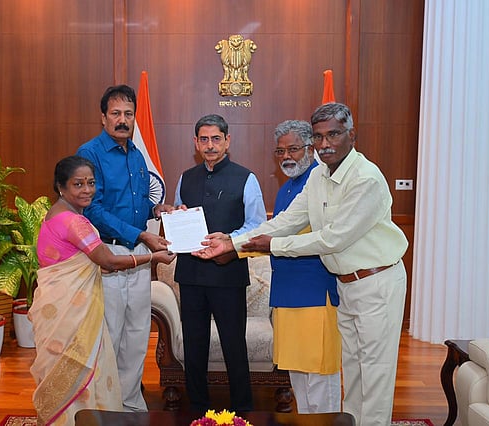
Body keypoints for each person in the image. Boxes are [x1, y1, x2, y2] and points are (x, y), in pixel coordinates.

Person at [193, 103, 408, 426]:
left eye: (333, 134)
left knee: (375, 374)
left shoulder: (366, 179)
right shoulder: (320, 174)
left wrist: (271, 245)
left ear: (352, 135)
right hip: (346, 284)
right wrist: (233, 243)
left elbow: (332, 239)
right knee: (354, 372)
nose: (325, 144)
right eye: (319, 136)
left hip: (376, 282)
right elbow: (288, 220)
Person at [29, 155, 176, 425]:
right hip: (69, 310)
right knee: (77, 363)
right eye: (78, 184)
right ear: (61, 187)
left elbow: (85, 262)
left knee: (65, 366)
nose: (87, 190)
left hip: (58, 304)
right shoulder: (74, 222)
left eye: (91, 183)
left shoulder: (57, 213)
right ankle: (80, 419)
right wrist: (152, 258)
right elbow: (107, 261)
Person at [76, 85, 175, 412]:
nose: (123, 120)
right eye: (116, 113)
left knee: (137, 334)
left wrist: (155, 211)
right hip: (108, 255)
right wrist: (141, 234)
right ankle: (106, 407)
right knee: (110, 335)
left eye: (128, 114)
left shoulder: (135, 154)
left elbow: (135, 204)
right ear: (103, 117)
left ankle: (130, 404)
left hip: (139, 255)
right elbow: (92, 208)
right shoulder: (90, 154)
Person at [173, 114, 266, 412]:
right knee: (194, 346)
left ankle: (242, 410)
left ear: (227, 141)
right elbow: (178, 216)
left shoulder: (246, 178)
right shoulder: (185, 178)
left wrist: (228, 238)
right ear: (196, 143)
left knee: (233, 346)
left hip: (228, 275)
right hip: (191, 275)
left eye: (216, 139)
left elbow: (257, 225)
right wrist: (177, 217)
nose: (210, 145)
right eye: (204, 139)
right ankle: (198, 409)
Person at [269, 120, 341, 413]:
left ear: (311, 149)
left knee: (320, 378)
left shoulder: (321, 182)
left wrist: (236, 246)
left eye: (294, 149)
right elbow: (273, 234)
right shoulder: (286, 188)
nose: (286, 156)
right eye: (280, 151)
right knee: (298, 376)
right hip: (286, 294)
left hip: (315, 294)